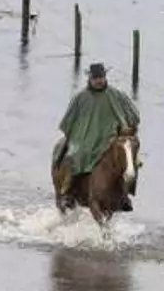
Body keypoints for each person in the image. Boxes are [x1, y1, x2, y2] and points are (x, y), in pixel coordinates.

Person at [55, 62, 140, 206]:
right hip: (85, 138)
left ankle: (125, 194)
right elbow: (68, 120)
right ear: (90, 78)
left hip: (111, 137)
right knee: (77, 155)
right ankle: (69, 192)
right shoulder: (80, 98)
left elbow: (133, 114)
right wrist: (76, 133)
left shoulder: (116, 95)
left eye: (101, 77)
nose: (99, 81)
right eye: (96, 78)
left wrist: (126, 127)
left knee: (131, 159)